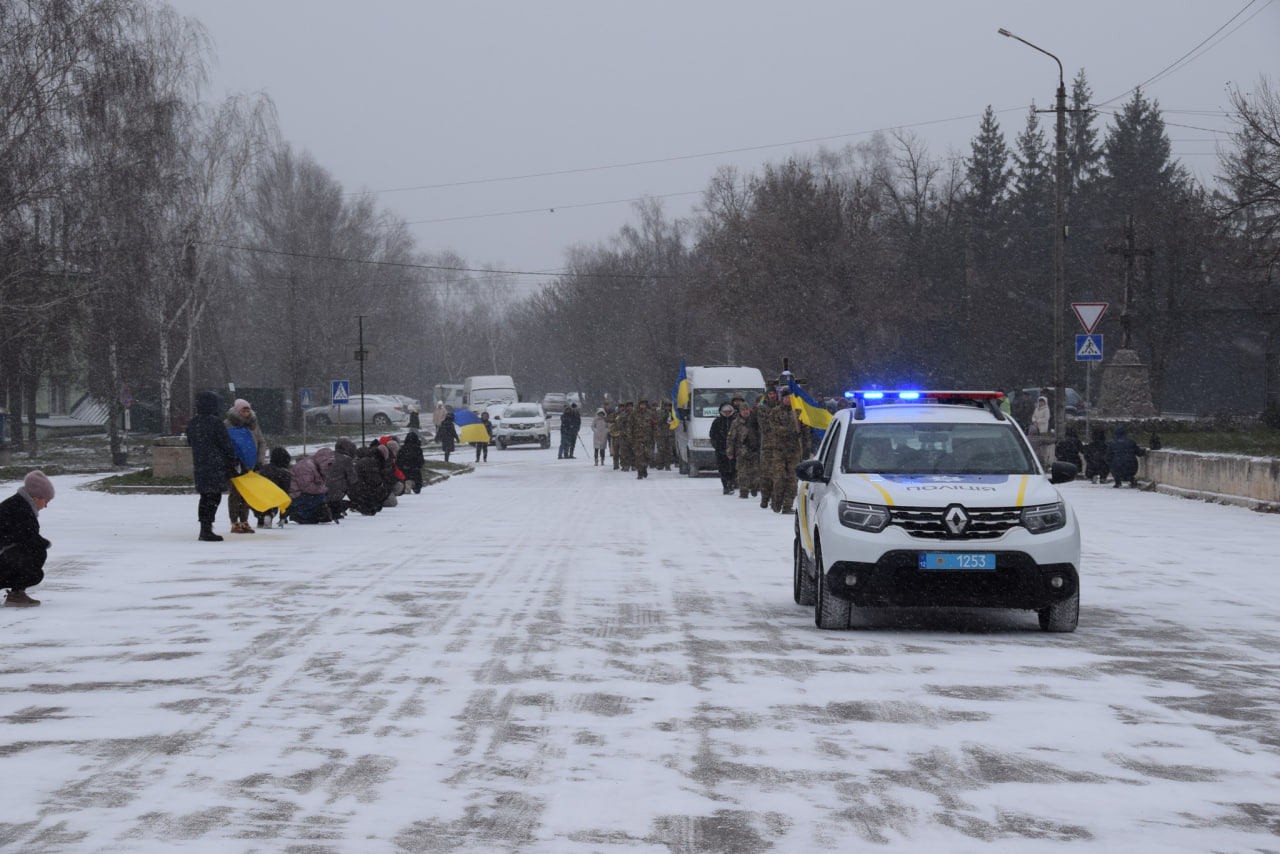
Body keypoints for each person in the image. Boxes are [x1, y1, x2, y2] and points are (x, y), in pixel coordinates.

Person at [185, 390, 238, 542]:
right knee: (214, 496)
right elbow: (225, 444)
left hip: (200, 464)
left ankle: (204, 527)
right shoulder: (216, 422)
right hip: (215, 464)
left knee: (205, 497)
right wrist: (231, 461)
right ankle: (207, 529)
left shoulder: (193, 422)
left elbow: (190, 442)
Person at [0, 471, 55, 606]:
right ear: (36, 497)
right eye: (46, 501)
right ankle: (16, 594)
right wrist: (44, 544)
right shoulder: (21, 510)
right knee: (36, 558)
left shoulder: (17, 504)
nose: (46, 505)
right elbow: (27, 538)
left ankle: (17, 593)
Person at [225, 398, 267, 534]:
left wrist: (260, 461)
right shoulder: (228, 425)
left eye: (248, 410)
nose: (246, 413)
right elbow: (226, 444)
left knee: (247, 493)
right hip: (236, 464)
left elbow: (261, 442)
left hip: (250, 464)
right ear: (238, 411)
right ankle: (234, 522)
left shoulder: (253, 424)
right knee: (235, 493)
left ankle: (244, 520)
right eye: (244, 410)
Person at [758, 386, 802, 513]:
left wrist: (805, 445)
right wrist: (791, 430)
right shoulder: (775, 412)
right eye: (786, 398)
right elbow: (774, 429)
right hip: (779, 450)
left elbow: (804, 430)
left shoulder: (798, 411)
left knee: (792, 479)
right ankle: (776, 502)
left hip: (794, 450)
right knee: (779, 478)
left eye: (790, 398)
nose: (788, 400)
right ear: (782, 399)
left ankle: (788, 505)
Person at [287, 447, 336, 523]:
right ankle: (300, 514)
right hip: (295, 495)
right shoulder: (306, 467)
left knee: (322, 497)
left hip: (300, 494)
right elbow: (307, 487)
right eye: (328, 464)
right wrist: (323, 490)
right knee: (320, 498)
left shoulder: (317, 467)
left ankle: (309, 515)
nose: (329, 467)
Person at [727, 404, 761, 499]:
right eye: (743, 410)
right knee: (742, 472)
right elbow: (731, 438)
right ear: (740, 411)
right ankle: (744, 491)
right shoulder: (736, 423)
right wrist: (730, 452)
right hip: (741, 451)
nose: (745, 412)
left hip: (755, 450)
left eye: (747, 409)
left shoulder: (755, 421)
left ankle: (754, 487)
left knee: (755, 472)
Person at [255, 447, 293, 528]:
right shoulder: (284, 473)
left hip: (258, 499)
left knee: (263, 500)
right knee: (279, 497)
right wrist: (283, 516)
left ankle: (261, 517)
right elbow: (285, 494)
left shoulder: (263, 469)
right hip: (273, 500)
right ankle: (270, 514)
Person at [326, 437, 359, 519]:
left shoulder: (328, 457)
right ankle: (338, 506)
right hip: (337, 490)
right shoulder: (346, 460)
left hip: (322, 488)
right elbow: (353, 479)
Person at [710, 401, 737, 495]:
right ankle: (725, 486)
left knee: (733, 468)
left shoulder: (735, 421)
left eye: (728, 411)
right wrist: (717, 446)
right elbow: (712, 435)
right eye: (725, 411)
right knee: (723, 469)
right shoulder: (717, 422)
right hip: (720, 449)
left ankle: (731, 483)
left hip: (734, 450)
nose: (727, 413)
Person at [627, 399, 656, 479]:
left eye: (644, 404)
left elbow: (654, 425)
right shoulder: (634, 414)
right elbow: (629, 426)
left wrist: (655, 436)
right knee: (639, 456)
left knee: (648, 455)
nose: (643, 406)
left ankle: (644, 468)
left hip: (648, 438)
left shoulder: (650, 413)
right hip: (637, 439)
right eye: (641, 404)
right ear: (639, 405)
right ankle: (639, 472)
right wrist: (630, 437)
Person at [653, 400, 676, 470]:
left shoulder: (673, 412)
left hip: (670, 434)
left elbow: (676, 421)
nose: (667, 407)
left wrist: (672, 415)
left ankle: (667, 465)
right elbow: (658, 422)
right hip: (661, 434)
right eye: (666, 406)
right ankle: (660, 464)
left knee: (669, 450)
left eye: (669, 406)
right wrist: (664, 416)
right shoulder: (659, 412)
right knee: (661, 450)